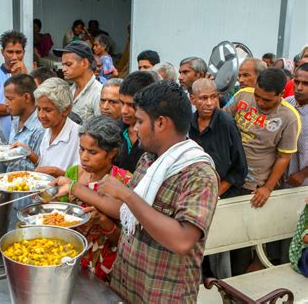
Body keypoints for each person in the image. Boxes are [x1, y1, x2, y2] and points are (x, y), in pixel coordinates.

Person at [52, 81, 219, 302]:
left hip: (162, 293)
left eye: (140, 121)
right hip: (127, 282)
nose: (135, 128)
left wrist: (127, 194)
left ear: (160, 123)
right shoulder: (149, 160)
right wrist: (73, 187)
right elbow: (125, 210)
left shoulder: (198, 174)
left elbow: (183, 240)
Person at [60, 116, 131, 282]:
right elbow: (61, 218)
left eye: (92, 152)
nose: (84, 157)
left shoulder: (123, 183)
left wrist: (103, 221)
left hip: (106, 265)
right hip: (70, 256)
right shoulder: (73, 174)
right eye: (81, 149)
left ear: (111, 153)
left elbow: (126, 241)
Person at [189, 79, 248, 279]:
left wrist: (215, 193)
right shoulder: (188, 124)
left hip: (222, 195)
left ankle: (223, 287)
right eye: (203, 98)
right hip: (193, 197)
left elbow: (239, 169)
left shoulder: (227, 124)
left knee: (219, 252)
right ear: (193, 99)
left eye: (213, 97)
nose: (209, 103)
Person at [224, 68, 301, 208]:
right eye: (257, 96)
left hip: (252, 182)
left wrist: (267, 188)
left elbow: (284, 157)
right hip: (226, 172)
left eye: (267, 100)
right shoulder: (242, 95)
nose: (260, 103)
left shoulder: (290, 118)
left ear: (281, 94)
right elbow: (221, 122)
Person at [22, 78, 80, 177]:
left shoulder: (79, 137)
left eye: (47, 110)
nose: (41, 115)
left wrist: (58, 173)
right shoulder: (46, 131)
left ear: (65, 110)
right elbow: (45, 165)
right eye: (38, 109)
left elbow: (83, 180)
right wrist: (29, 153)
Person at [115, 71, 158, 173]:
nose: (124, 111)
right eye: (121, 103)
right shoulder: (113, 131)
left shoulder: (157, 139)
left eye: (131, 105)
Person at [54, 41, 102, 121]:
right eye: (63, 65)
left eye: (68, 64)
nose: (63, 69)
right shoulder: (70, 90)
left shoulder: (98, 93)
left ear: (84, 63)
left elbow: (101, 130)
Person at [5, 74, 44, 172]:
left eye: (10, 99)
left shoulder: (40, 127)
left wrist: (27, 153)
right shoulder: (16, 121)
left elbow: (42, 168)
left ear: (27, 97)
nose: (5, 103)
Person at [283, 63, 308, 188]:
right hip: (282, 181)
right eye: (297, 82)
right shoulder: (286, 104)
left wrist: (304, 173)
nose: (299, 87)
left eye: (305, 84)